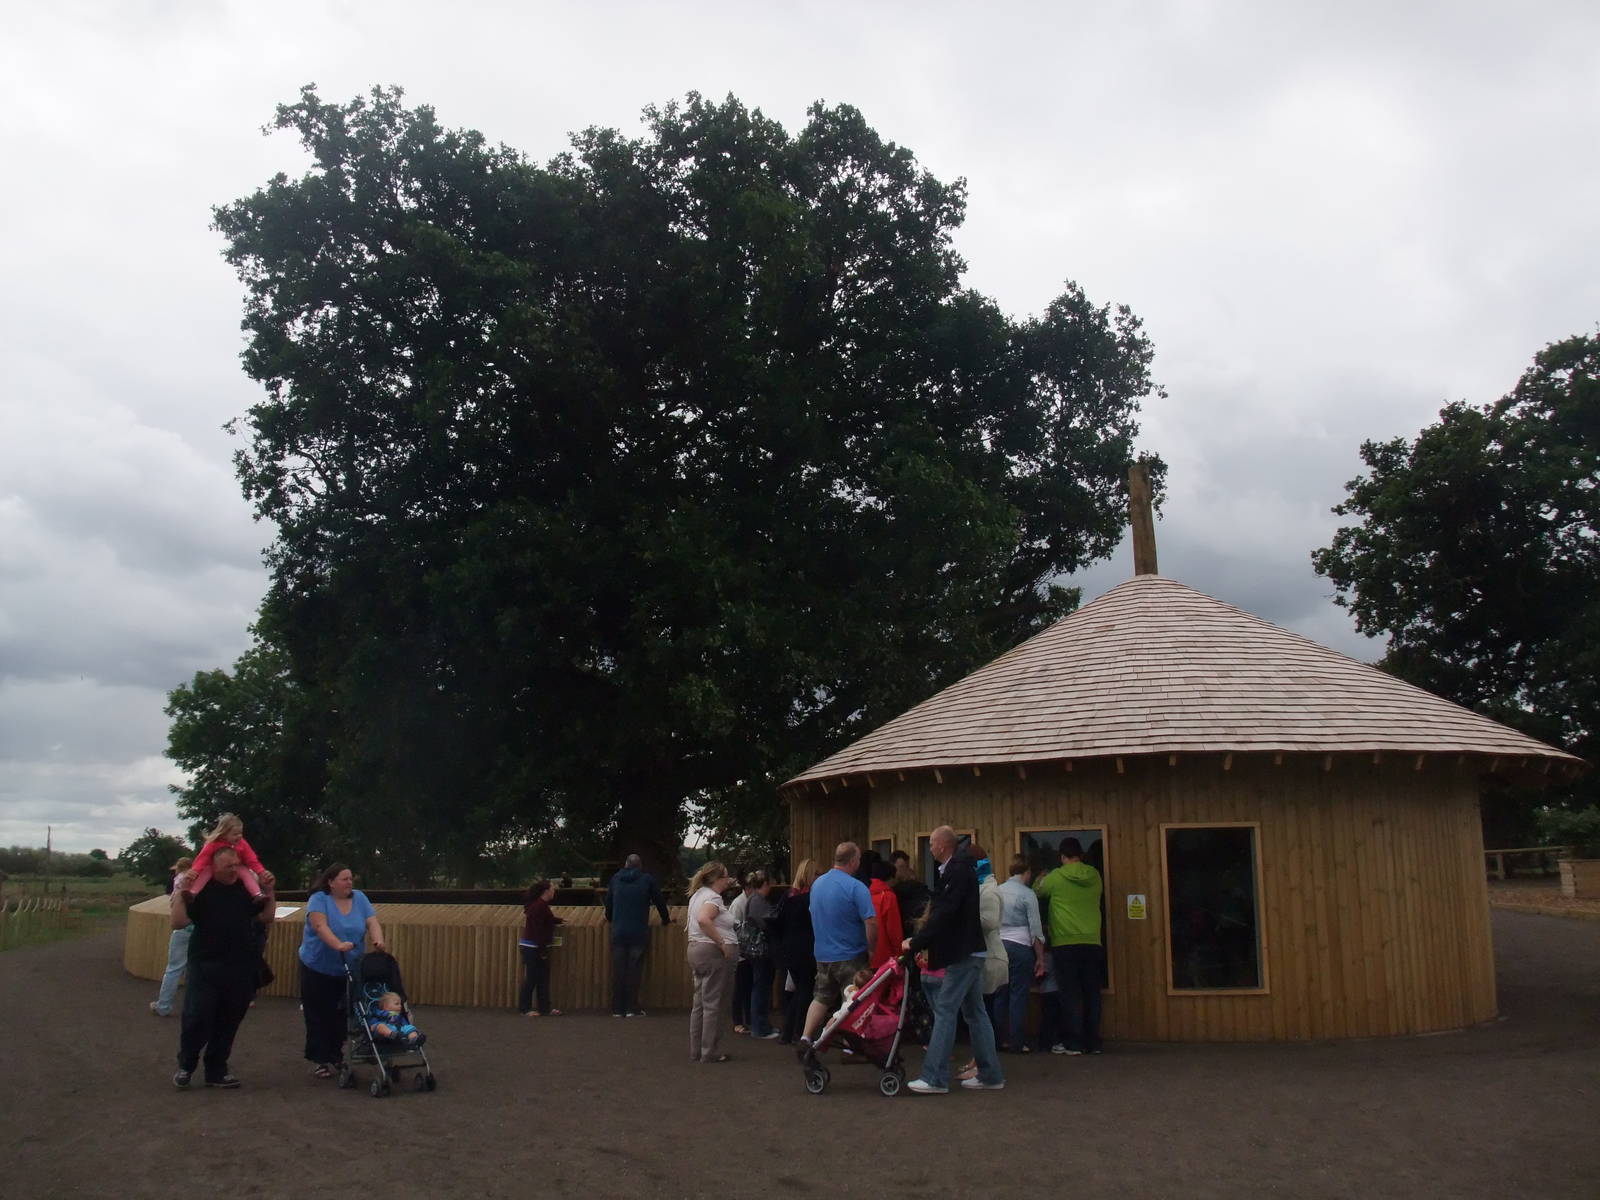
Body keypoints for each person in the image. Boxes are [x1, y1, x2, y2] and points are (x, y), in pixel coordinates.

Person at [902, 826, 1005, 1094]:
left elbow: (945, 912)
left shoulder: (956, 871)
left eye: (933, 844)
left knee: (946, 1010)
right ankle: (990, 1074)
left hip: (963, 952)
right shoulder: (959, 870)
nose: (931, 849)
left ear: (943, 846)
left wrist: (917, 942)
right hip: (971, 951)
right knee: (975, 1013)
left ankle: (934, 1077)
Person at [168, 846, 276, 1089]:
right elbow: (178, 922)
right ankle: (186, 1065)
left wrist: (270, 891)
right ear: (214, 867)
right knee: (198, 1017)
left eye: (237, 865)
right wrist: (181, 892)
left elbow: (266, 917)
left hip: (240, 966)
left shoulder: (246, 890)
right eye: (229, 866)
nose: (234, 870)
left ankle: (216, 1069)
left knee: (229, 1020)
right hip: (205, 964)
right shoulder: (201, 891)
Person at [299, 863, 386, 1079]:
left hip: (349, 966)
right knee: (319, 1012)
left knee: (342, 1013)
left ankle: (336, 1054)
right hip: (317, 964)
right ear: (331, 882)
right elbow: (320, 927)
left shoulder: (360, 898)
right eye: (344, 879)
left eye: (350, 878)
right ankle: (320, 1059)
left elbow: (372, 922)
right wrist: (337, 944)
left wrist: (378, 940)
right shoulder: (319, 899)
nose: (349, 882)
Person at [798, 842, 877, 1050]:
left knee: (821, 997)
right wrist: (871, 948)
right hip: (851, 953)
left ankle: (805, 1037)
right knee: (853, 1000)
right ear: (852, 861)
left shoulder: (818, 885)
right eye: (858, 859)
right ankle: (849, 1045)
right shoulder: (856, 887)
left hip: (823, 954)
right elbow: (870, 921)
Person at [1035, 836, 1105, 1055]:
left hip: (1065, 942)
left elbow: (1038, 891)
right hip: (1092, 940)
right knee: (1092, 993)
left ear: (1062, 857)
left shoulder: (1056, 877)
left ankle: (1073, 1042)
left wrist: (1041, 877)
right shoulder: (1094, 875)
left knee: (1070, 994)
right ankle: (1093, 1042)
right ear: (1081, 855)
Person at [604, 853, 671, 1017]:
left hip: (619, 930)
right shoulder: (647, 879)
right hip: (638, 930)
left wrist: (611, 917)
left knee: (619, 969)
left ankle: (617, 1008)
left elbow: (608, 902)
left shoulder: (616, 879)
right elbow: (659, 901)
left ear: (626, 864)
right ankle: (631, 1008)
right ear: (640, 865)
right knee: (634, 970)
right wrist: (666, 920)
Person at [686, 861, 739, 1063]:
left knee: (699, 1003)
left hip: (696, 950)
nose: (728, 880)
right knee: (713, 1003)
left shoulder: (697, 895)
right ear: (718, 879)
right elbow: (703, 919)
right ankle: (709, 1051)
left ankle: (696, 1050)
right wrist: (722, 942)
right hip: (712, 953)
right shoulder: (713, 898)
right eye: (726, 876)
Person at [997, 854, 1047, 1052]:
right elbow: (1036, 930)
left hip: (1000, 946)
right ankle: (1017, 1042)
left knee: (1000, 994)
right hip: (1020, 946)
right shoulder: (1027, 894)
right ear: (1027, 873)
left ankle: (998, 1040)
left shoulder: (998, 891)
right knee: (1018, 996)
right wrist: (1041, 958)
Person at [771, 858, 817, 1045]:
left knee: (799, 991)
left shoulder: (787, 897)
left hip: (789, 950)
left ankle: (789, 1031)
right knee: (805, 991)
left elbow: (778, 923)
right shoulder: (810, 899)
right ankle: (800, 1031)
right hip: (806, 950)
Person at [183, 813, 273, 903]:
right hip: (214, 868)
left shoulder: (242, 843)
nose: (239, 836)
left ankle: (257, 894)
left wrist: (261, 872)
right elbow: (202, 858)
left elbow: (251, 859)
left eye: (240, 833)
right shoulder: (213, 843)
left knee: (246, 872)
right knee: (205, 872)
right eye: (235, 834)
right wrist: (195, 871)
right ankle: (193, 893)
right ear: (224, 834)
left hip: (236, 867)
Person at [149, 854, 195, 1017]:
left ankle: (164, 1005)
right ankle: (194, 1008)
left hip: (182, 928)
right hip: (198, 927)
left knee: (174, 969)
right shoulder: (200, 880)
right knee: (194, 970)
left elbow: (173, 900)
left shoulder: (180, 881)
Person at [740, 870, 780, 1039]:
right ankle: (760, 1027)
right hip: (761, 951)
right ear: (765, 884)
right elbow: (765, 923)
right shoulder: (758, 901)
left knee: (761, 987)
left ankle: (762, 1024)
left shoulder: (753, 900)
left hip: (757, 951)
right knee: (761, 987)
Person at [519, 878, 564, 1017]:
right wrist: (543, 949)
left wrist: (558, 920)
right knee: (533, 977)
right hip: (534, 946)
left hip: (534, 945)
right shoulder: (539, 906)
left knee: (542, 978)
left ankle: (544, 1008)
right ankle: (525, 1008)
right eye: (552, 889)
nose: (554, 891)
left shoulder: (540, 905)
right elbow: (538, 929)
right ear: (546, 891)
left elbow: (544, 919)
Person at [865, 858, 904, 972]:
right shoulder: (888, 896)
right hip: (885, 957)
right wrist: (899, 954)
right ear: (890, 878)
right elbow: (894, 929)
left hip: (865, 955)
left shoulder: (864, 893)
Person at [728, 875, 754, 1034]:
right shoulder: (739, 903)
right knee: (740, 987)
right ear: (747, 888)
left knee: (748, 987)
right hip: (741, 952)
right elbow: (734, 927)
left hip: (748, 951)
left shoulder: (749, 901)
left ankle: (748, 1019)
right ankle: (738, 1021)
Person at [890, 849, 931, 926]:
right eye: (901, 867)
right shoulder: (891, 888)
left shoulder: (913, 884)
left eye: (907, 867)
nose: (905, 870)